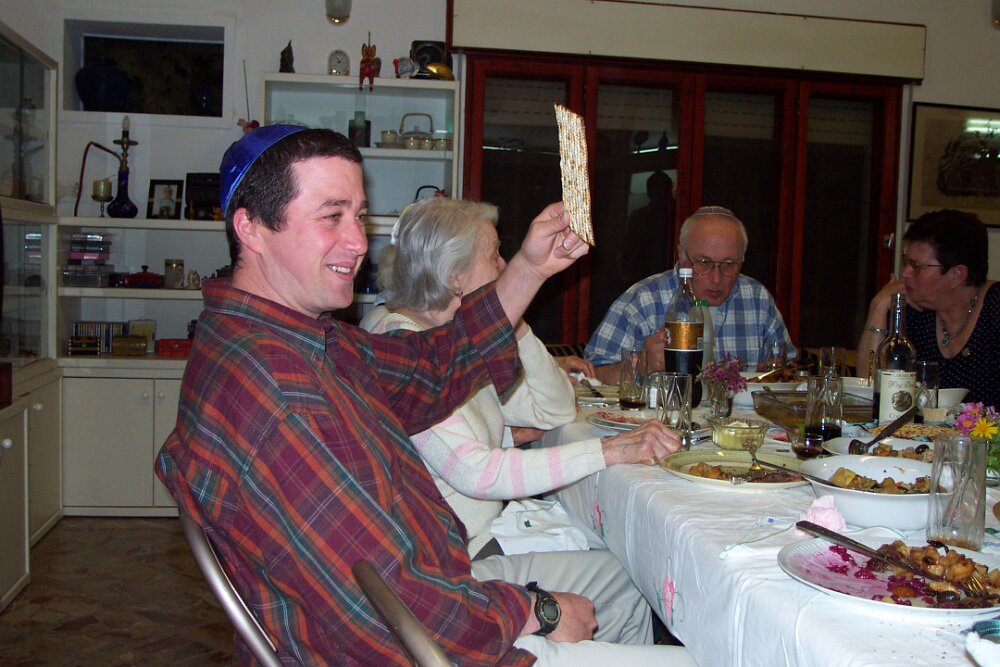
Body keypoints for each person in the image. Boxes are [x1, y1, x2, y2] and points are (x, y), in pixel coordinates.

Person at [155, 124, 686, 666]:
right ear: (251, 227)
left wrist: (529, 269)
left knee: (622, 593)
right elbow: (394, 608)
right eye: (331, 216)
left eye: (359, 216)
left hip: (431, 595)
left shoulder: (294, 340)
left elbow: (432, 368)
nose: (358, 242)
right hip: (416, 648)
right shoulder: (280, 394)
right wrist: (537, 609)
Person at [360, 198, 680, 560]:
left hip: (486, 530)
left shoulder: (453, 342)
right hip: (459, 554)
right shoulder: (400, 345)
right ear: (455, 277)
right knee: (629, 567)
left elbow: (555, 410)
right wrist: (609, 450)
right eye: (494, 256)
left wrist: (513, 323)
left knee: (616, 544)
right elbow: (479, 474)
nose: (503, 266)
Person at [586, 205, 795, 384]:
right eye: (703, 263)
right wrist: (642, 365)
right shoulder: (643, 300)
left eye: (729, 264)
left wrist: (774, 375)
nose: (716, 278)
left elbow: (790, 370)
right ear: (682, 255)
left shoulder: (757, 299)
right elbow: (590, 378)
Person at [857, 209, 998, 407]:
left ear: (957, 275)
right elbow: (868, 388)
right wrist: (878, 306)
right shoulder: (914, 310)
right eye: (906, 262)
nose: (905, 273)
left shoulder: (994, 309)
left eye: (917, 266)